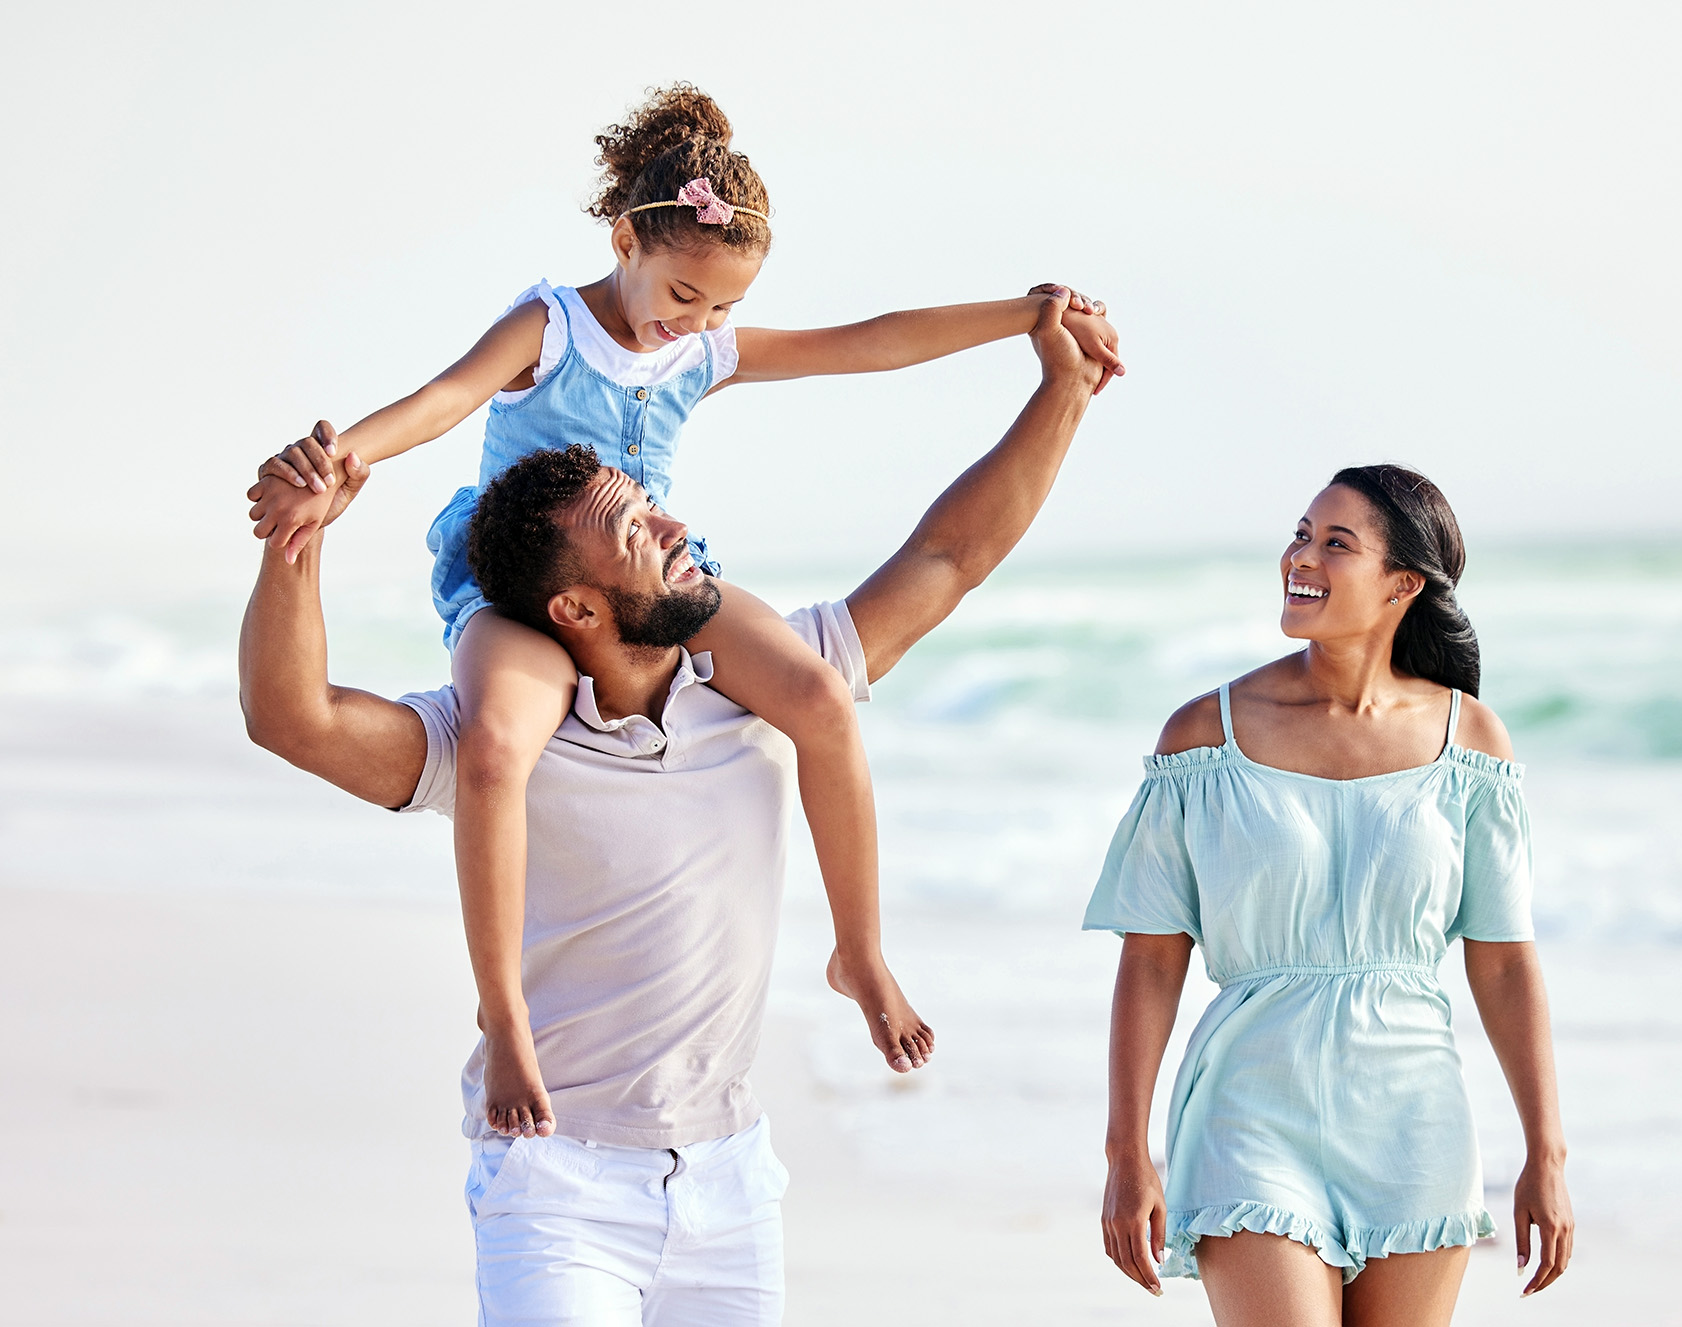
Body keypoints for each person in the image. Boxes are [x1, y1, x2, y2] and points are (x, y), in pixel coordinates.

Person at [242, 83, 1124, 1141]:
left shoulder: (702, 351)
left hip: (652, 570)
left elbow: (871, 342)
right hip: (518, 590)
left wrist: (1028, 317)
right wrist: (341, 465)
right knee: (491, 754)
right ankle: (506, 1014)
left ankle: (859, 951)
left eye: (718, 305)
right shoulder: (551, 324)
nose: (695, 321)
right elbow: (445, 399)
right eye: (680, 291)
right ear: (624, 238)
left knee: (818, 696)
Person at [237, 292, 1102, 1324]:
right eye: (636, 529)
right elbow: (294, 717)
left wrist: (1063, 389)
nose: (676, 522)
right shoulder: (496, 734)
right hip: (555, 1185)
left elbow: (947, 560)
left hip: (731, 1180)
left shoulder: (760, 688)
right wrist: (297, 541)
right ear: (575, 609)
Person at [1088, 465, 1574, 1325]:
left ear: (1402, 584)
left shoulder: (1471, 741)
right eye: (1301, 533)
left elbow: (1502, 964)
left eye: (1334, 543)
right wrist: (1128, 1148)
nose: (1300, 556)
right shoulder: (1207, 733)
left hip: (1414, 1119)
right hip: (1249, 1111)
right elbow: (1154, 959)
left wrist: (1547, 1151)